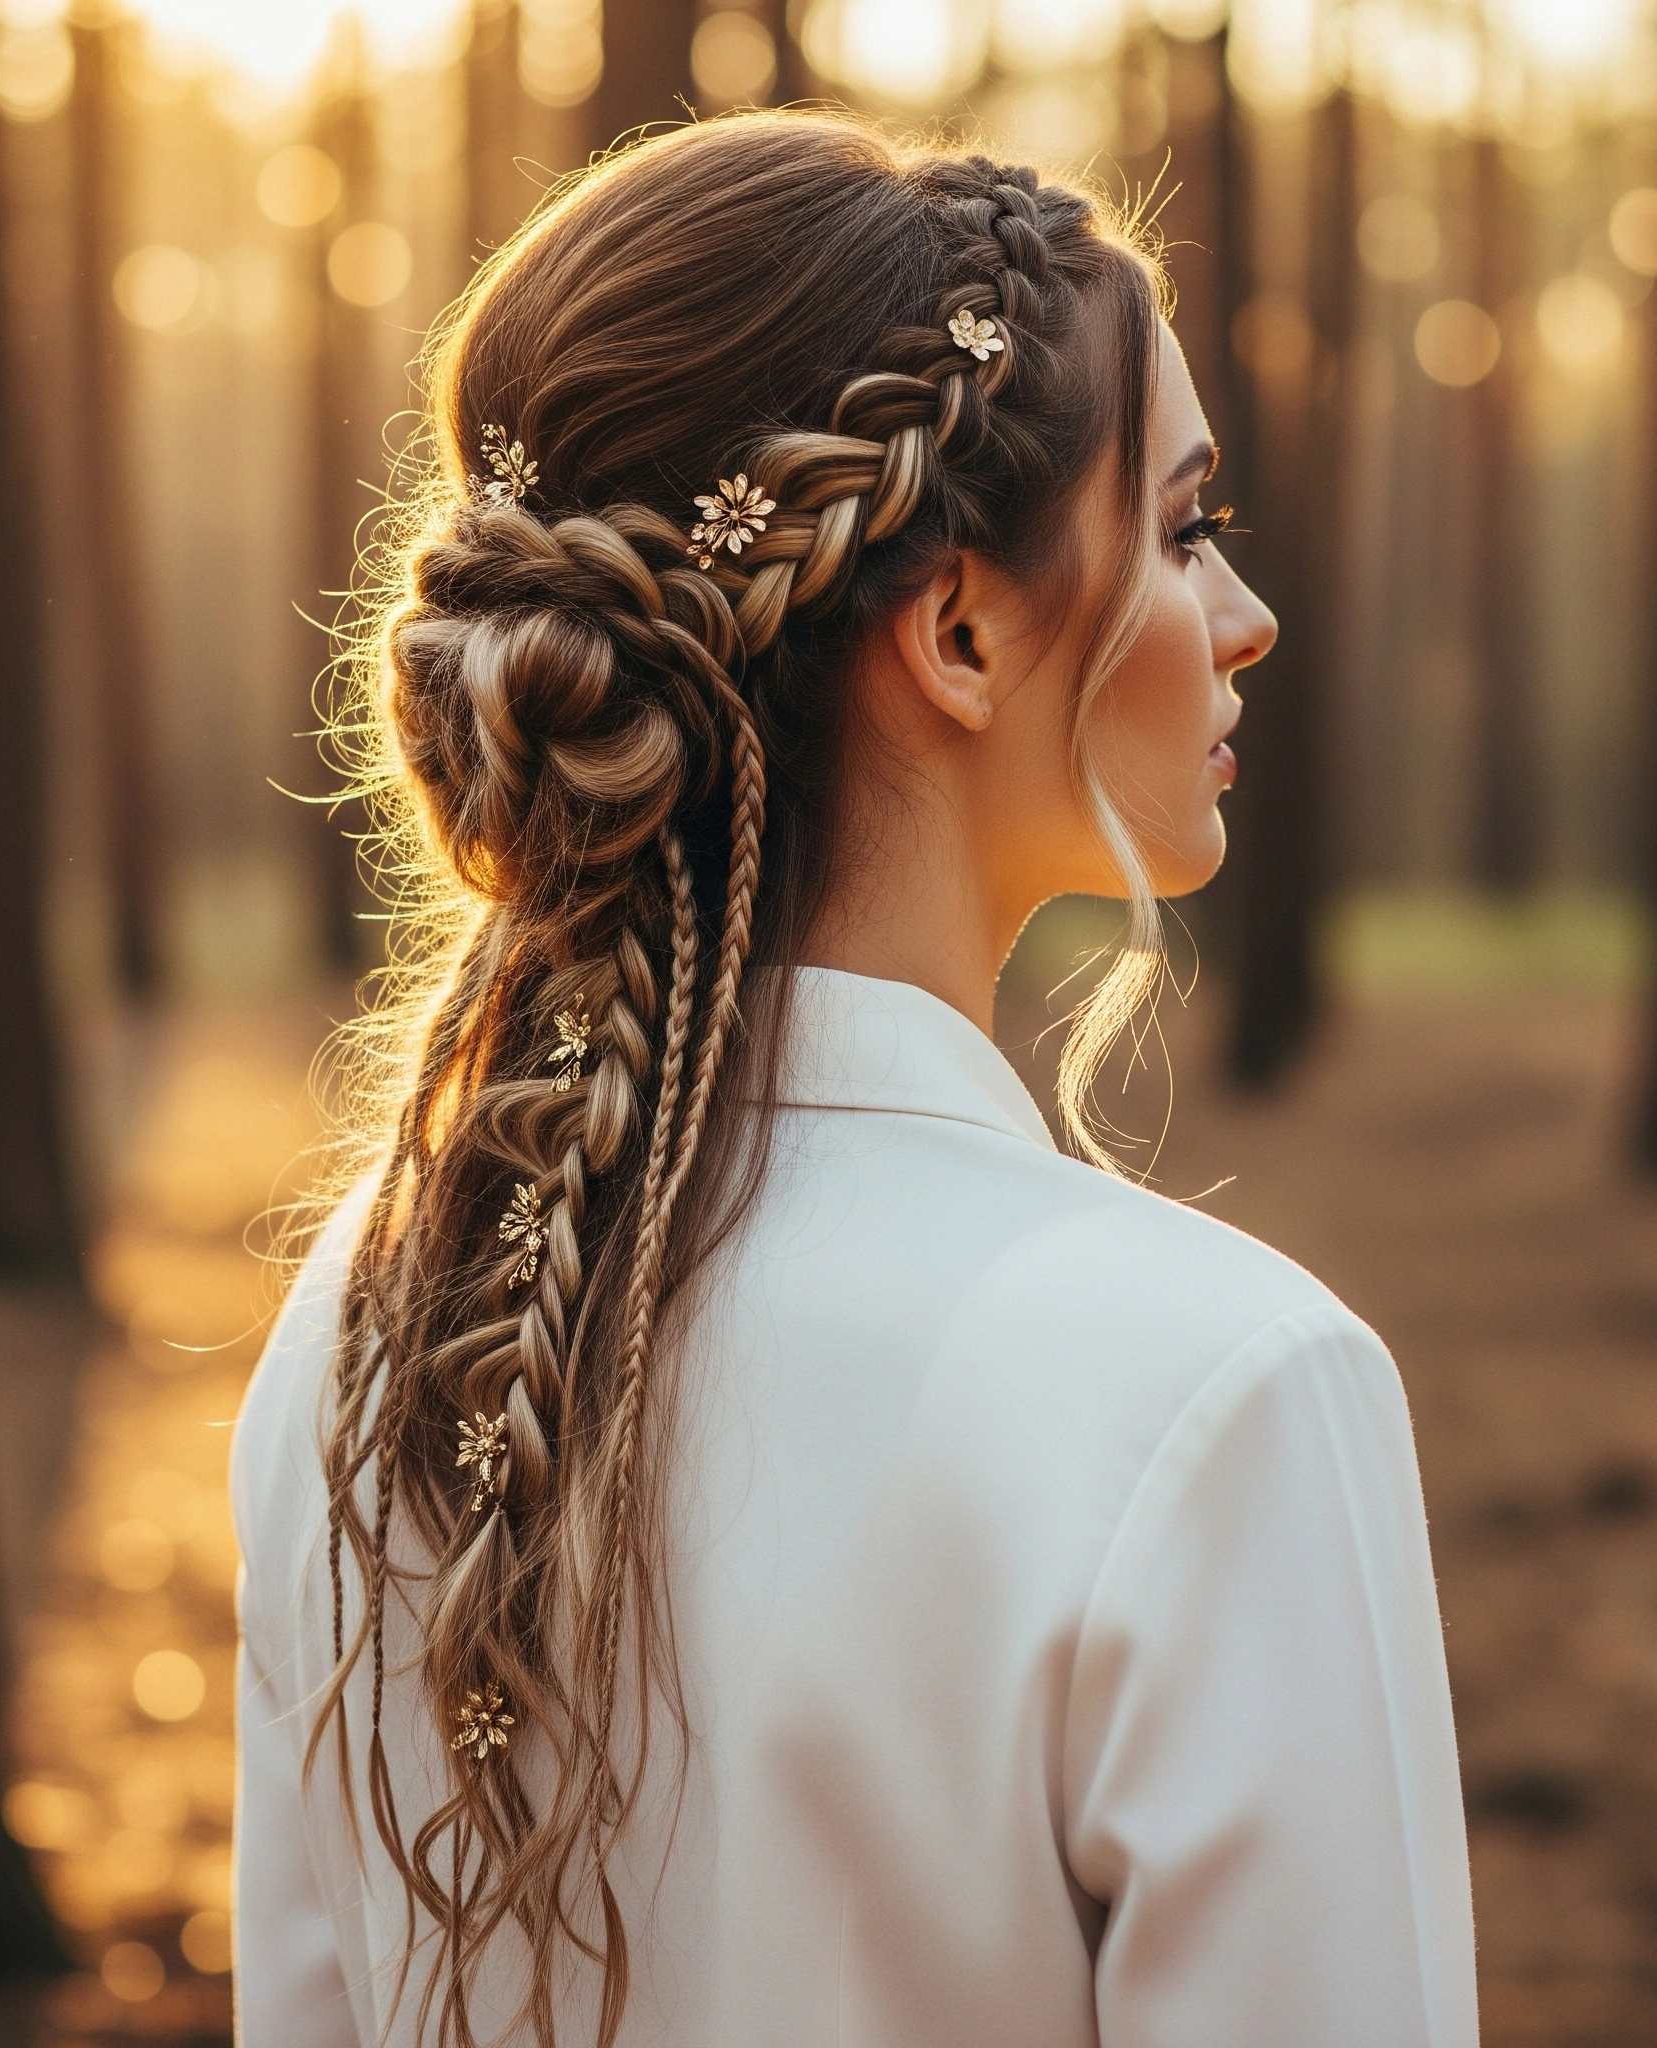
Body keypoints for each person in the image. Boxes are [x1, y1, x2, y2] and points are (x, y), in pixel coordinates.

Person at [232, 112, 1478, 2048]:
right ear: (961, 627)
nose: (1243, 617)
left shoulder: (368, 1336)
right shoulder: (1217, 1389)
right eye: (1180, 526)